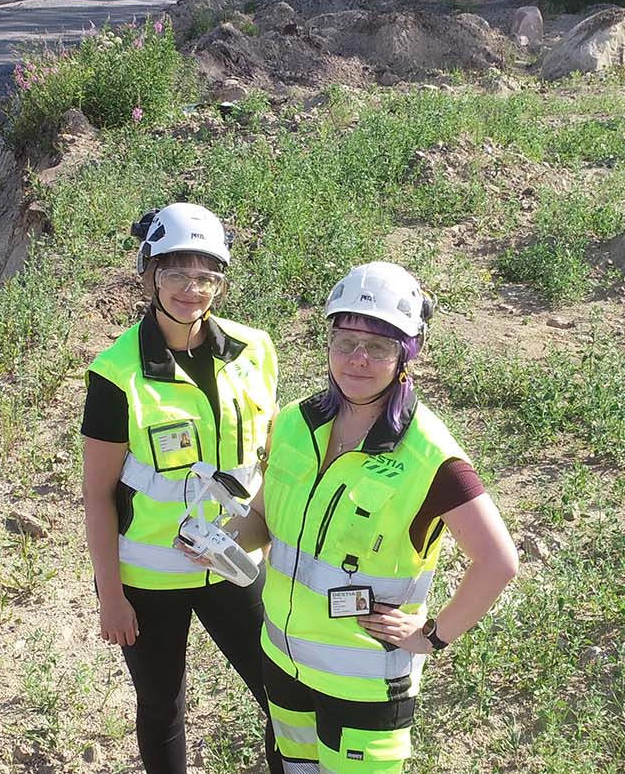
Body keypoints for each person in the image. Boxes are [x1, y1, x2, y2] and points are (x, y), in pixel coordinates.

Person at [212, 262, 518, 774]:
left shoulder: (429, 455)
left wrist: (433, 635)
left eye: (378, 346)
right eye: (345, 339)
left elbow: (498, 561)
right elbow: (264, 519)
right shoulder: (293, 423)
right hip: (283, 660)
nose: (357, 359)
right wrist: (220, 541)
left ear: (406, 354)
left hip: (364, 685)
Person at [81, 202, 283, 774]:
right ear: (148, 273)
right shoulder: (115, 373)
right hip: (148, 577)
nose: (191, 289)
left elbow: (266, 460)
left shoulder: (256, 351)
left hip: (235, 561)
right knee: (162, 705)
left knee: (283, 697)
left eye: (206, 276)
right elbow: (97, 495)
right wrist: (111, 595)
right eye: (174, 273)